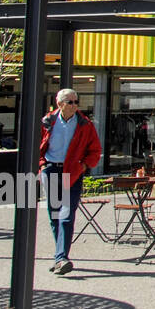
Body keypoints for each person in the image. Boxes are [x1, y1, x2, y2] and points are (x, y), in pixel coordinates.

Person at [38, 88, 102, 276]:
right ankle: (60, 256)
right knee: (54, 215)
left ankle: (61, 258)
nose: (75, 105)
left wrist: (83, 167)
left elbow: (95, 150)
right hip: (51, 169)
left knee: (66, 214)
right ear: (60, 104)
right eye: (70, 102)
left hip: (73, 172)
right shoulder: (47, 122)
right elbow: (38, 144)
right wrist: (42, 165)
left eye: (76, 101)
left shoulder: (85, 124)